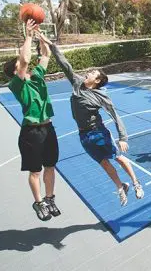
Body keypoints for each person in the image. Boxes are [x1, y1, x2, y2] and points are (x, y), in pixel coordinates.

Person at [36, 32, 144, 206]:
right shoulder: (77, 83)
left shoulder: (101, 95)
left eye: (93, 73)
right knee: (103, 162)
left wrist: (123, 137)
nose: (88, 72)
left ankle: (136, 182)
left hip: (99, 132)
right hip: (83, 135)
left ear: (98, 80)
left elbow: (114, 115)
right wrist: (51, 44)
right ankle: (120, 186)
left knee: (117, 157)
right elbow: (65, 64)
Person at [3, 19, 60, 221]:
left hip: (48, 129)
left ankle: (50, 198)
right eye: (20, 64)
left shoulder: (36, 77)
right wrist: (27, 36)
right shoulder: (16, 84)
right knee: (35, 170)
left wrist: (40, 36)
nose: (24, 64)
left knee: (50, 166)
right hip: (31, 133)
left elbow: (45, 54)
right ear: (16, 71)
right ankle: (38, 202)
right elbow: (25, 60)